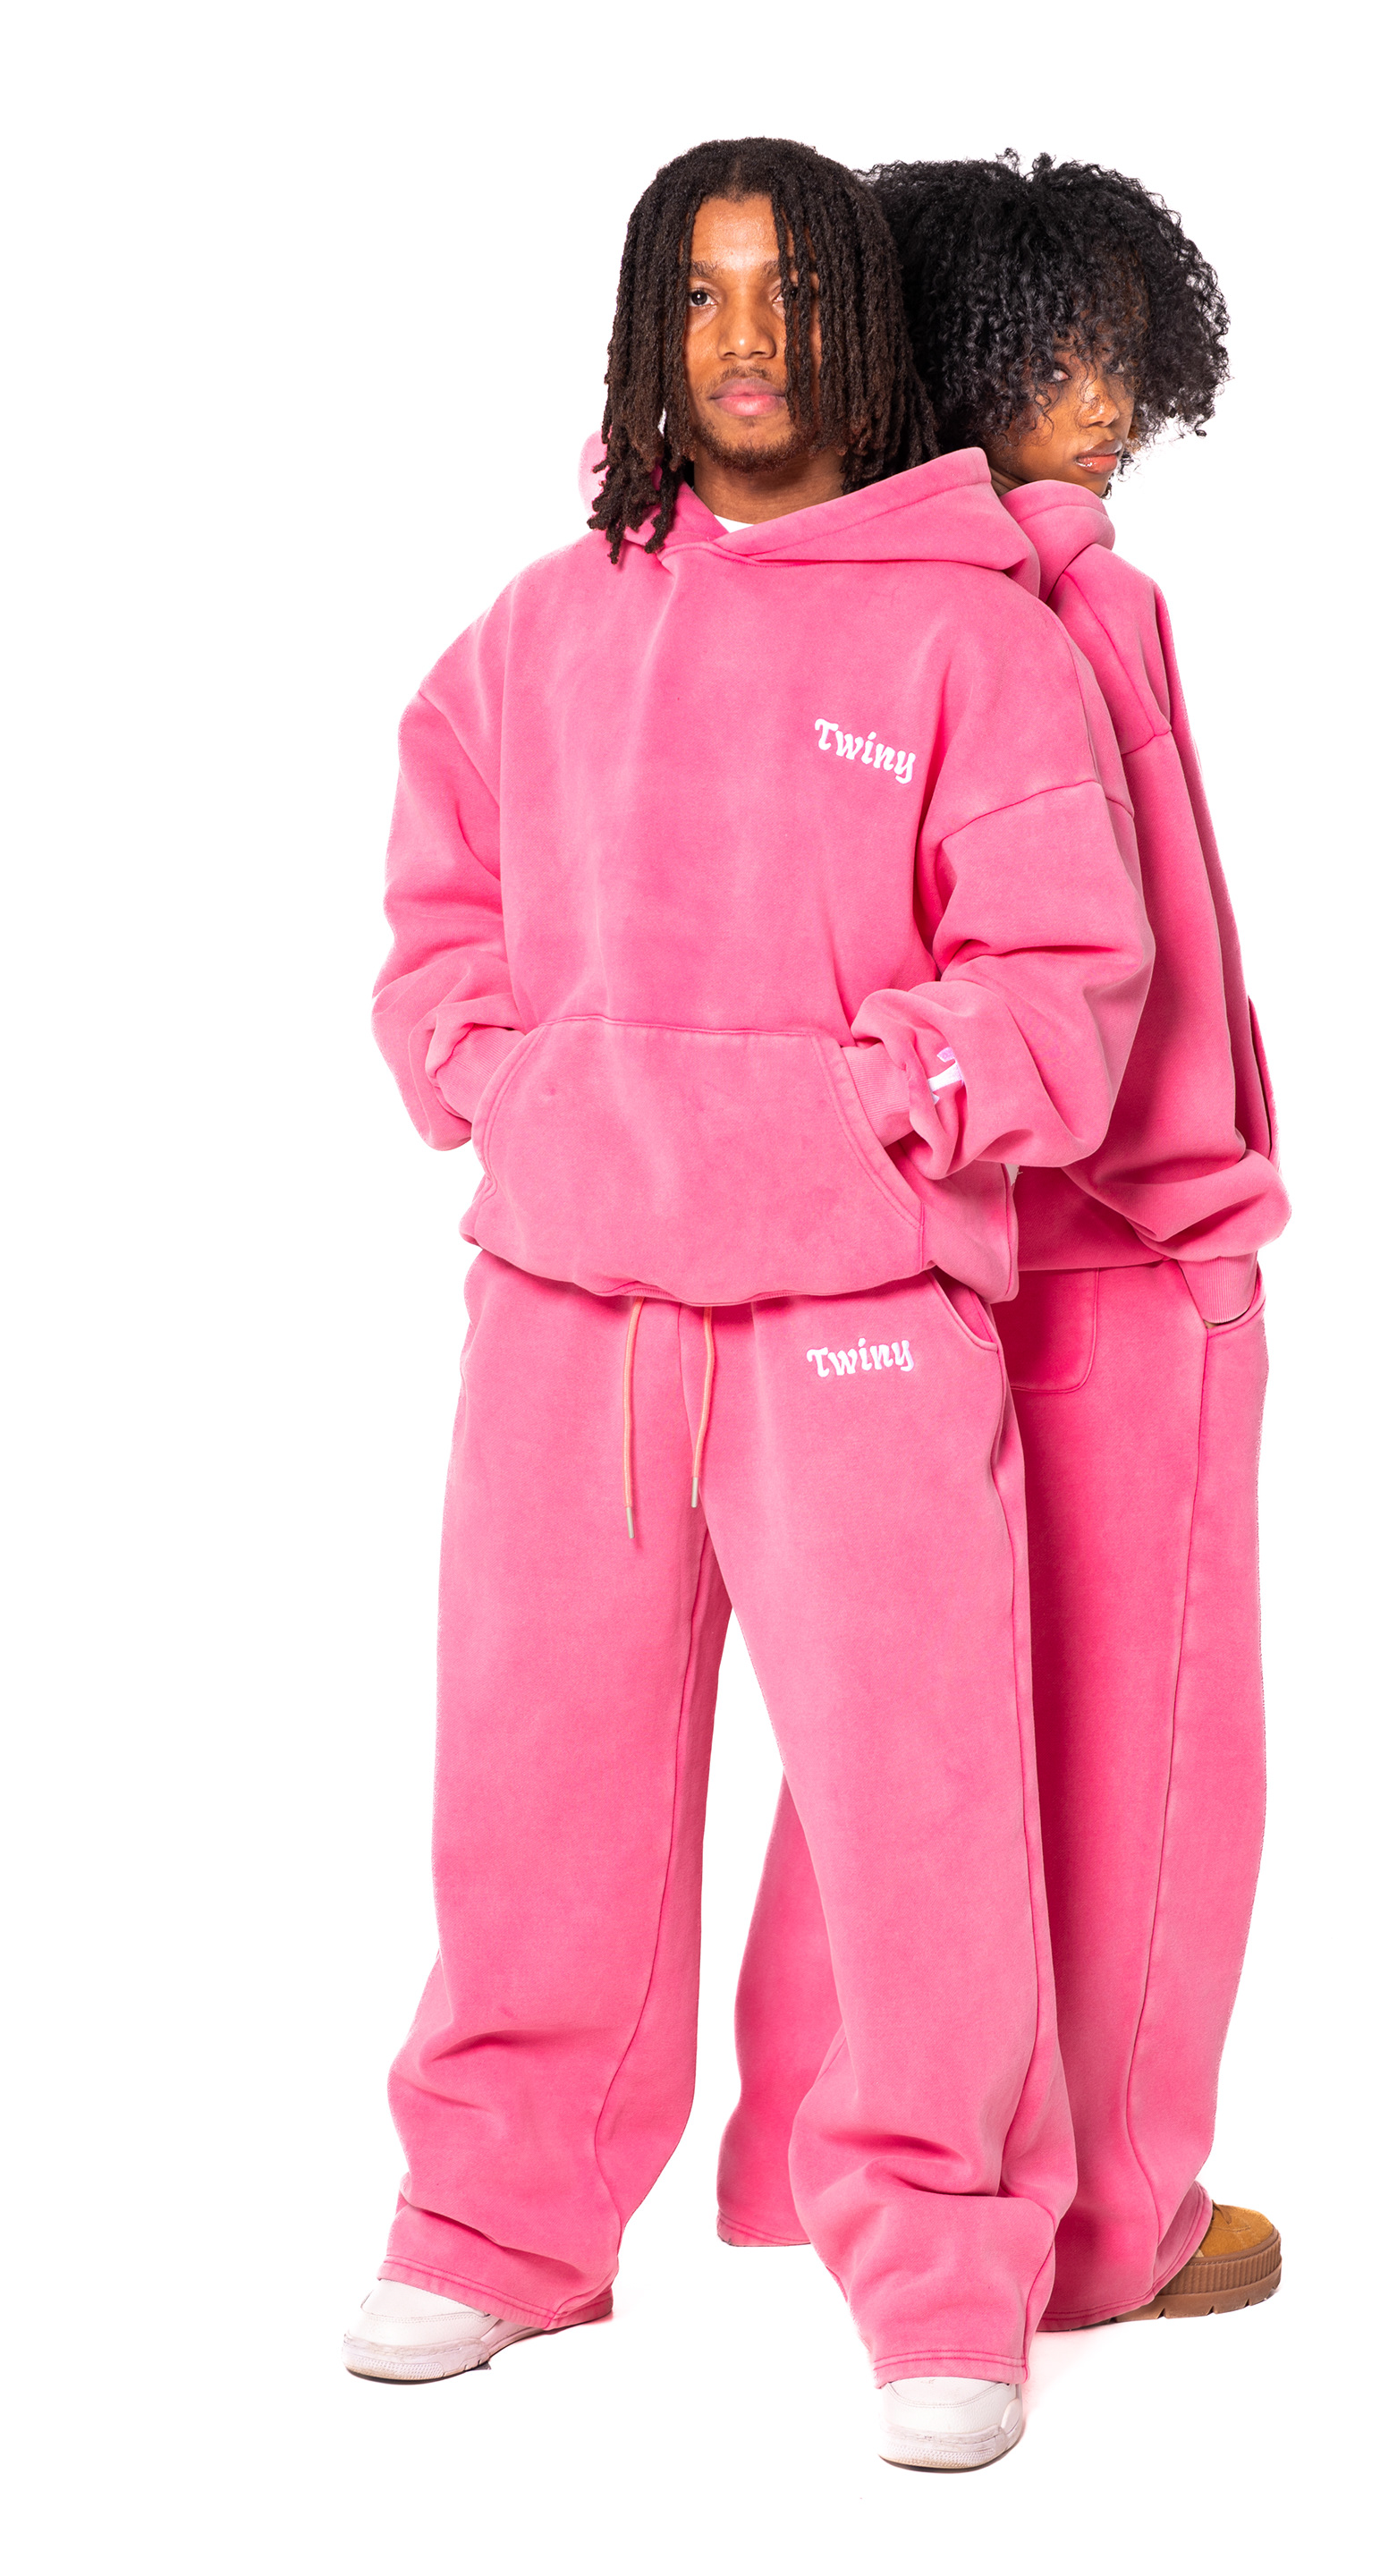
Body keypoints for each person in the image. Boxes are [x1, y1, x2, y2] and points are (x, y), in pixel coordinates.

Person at [344, 136, 1151, 2473]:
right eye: (696, 294)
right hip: (567, 1308)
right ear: (645, 329)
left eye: (788, 292)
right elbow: (438, 912)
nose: (742, 341)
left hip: (858, 1312)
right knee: (532, 1779)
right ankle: (498, 2221)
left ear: (857, 325)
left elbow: (1062, 985)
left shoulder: (971, 640)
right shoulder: (540, 627)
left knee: (920, 1797)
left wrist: (864, 1111)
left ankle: (946, 2261)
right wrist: (504, 1084)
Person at [717, 151, 1291, 2336]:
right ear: (958, 351)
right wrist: (1204, 1198)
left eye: (1126, 348)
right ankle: (1106, 2218)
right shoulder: (1065, 599)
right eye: (1064, 346)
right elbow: (1152, 952)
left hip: (888, 1243)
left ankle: (813, 2168)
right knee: (1145, 1748)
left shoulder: (801, 597)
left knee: (897, 1737)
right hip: (1111, 1247)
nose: (1110, 395)